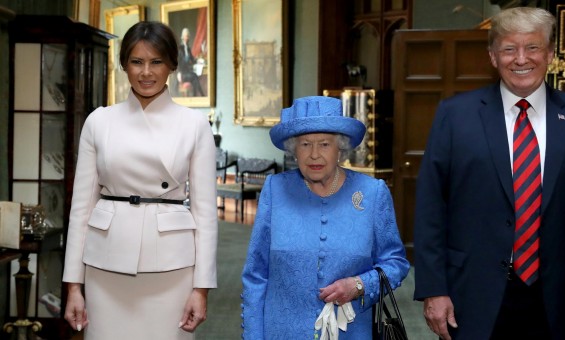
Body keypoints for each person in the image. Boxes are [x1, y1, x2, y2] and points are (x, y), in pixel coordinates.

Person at [413, 7, 565, 340]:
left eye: (532, 47)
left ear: (550, 54)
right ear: (493, 56)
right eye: (509, 49)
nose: (520, 59)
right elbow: (430, 209)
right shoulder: (455, 116)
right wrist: (433, 289)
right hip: (472, 297)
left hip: (560, 301)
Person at [62, 21, 218, 340]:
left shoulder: (194, 124)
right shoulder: (99, 121)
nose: (146, 72)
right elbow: (80, 211)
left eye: (156, 61)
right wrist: (73, 286)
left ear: (172, 65)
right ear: (124, 65)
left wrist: (201, 289)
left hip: (171, 268)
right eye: (137, 61)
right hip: (106, 265)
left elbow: (205, 215)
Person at [241, 96, 410, 339]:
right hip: (282, 332)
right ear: (293, 150)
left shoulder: (373, 194)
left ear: (340, 148)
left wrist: (360, 285)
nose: (314, 155)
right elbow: (256, 275)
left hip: (351, 332)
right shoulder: (274, 190)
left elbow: (396, 263)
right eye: (305, 144)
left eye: (324, 144)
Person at [177, 27, 204, 97]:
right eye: (186, 36)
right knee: (195, 76)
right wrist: (179, 73)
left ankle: (196, 96)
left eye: (188, 36)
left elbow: (192, 60)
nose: (187, 38)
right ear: (182, 37)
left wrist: (198, 61)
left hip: (187, 72)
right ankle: (202, 95)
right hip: (182, 74)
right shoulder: (180, 48)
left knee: (195, 79)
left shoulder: (188, 49)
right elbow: (178, 62)